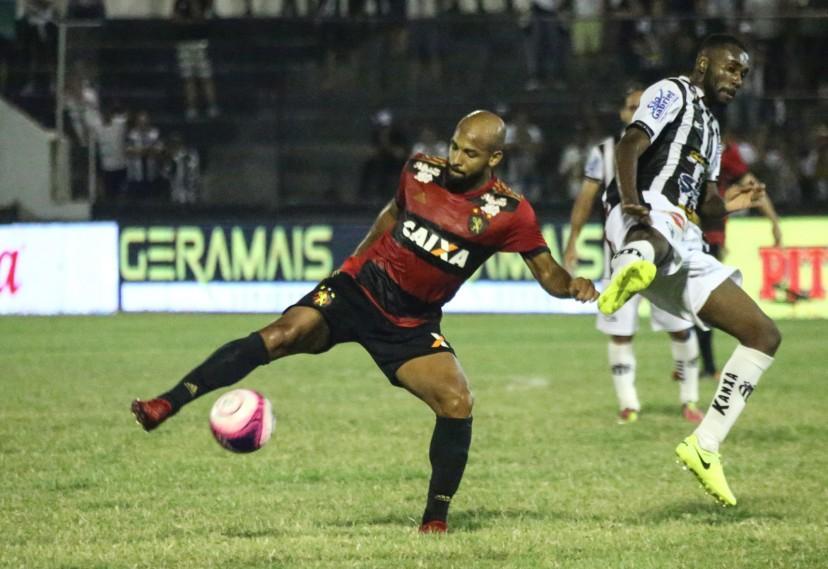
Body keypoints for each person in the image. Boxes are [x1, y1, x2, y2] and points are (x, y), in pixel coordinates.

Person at [131, 111, 598, 534]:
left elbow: (546, 272)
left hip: (410, 323)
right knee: (280, 334)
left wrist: (571, 285)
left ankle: (435, 517)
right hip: (359, 290)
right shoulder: (419, 170)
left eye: (469, 152)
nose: (455, 158)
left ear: (495, 157)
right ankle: (165, 405)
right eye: (455, 145)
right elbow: (393, 214)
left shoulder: (509, 213)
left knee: (456, 401)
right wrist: (352, 262)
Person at [597, 34, 781, 507]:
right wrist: (633, 203)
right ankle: (630, 264)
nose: (739, 80)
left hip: (686, 238)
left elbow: (707, 203)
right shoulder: (670, 92)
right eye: (733, 69)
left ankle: (705, 444)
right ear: (704, 62)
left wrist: (735, 204)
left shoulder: (715, 132)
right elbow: (629, 146)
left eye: (744, 74)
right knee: (653, 237)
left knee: (763, 334)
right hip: (648, 214)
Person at [563, 84, 704, 425]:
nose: (637, 110)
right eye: (631, 106)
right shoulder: (606, 151)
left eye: (644, 105)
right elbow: (586, 197)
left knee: (681, 328)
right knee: (620, 331)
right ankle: (628, 404)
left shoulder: (677, 149)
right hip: (621, 254)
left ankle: (689, 400)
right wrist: (573, 240)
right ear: (623, 114)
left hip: (665, 251)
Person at [697, 129, 782, 378]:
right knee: (695, 302)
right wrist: (774, 221)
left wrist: (774, 221)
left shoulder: (720, 150)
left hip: (706, 235)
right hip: (689, 232)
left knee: (702, 300)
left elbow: (751, 185)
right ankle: (694, 363)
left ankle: (707, 366)